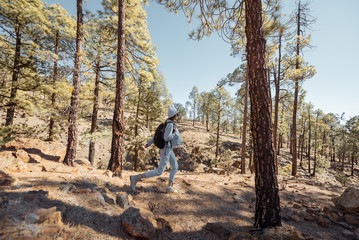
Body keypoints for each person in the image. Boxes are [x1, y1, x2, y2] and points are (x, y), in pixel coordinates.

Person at [130, 107, 182, 193]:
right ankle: (135, 178)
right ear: (174, 115)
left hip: (169, 149)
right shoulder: (170, 125)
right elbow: (166, 137)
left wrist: (149, 143)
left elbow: (157, 135)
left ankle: (169, 187)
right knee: (159, 171)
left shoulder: (166, 123)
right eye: (177, 114)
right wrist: (176, 134)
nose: (178, 115)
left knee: (175, 166)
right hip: (166, 149)